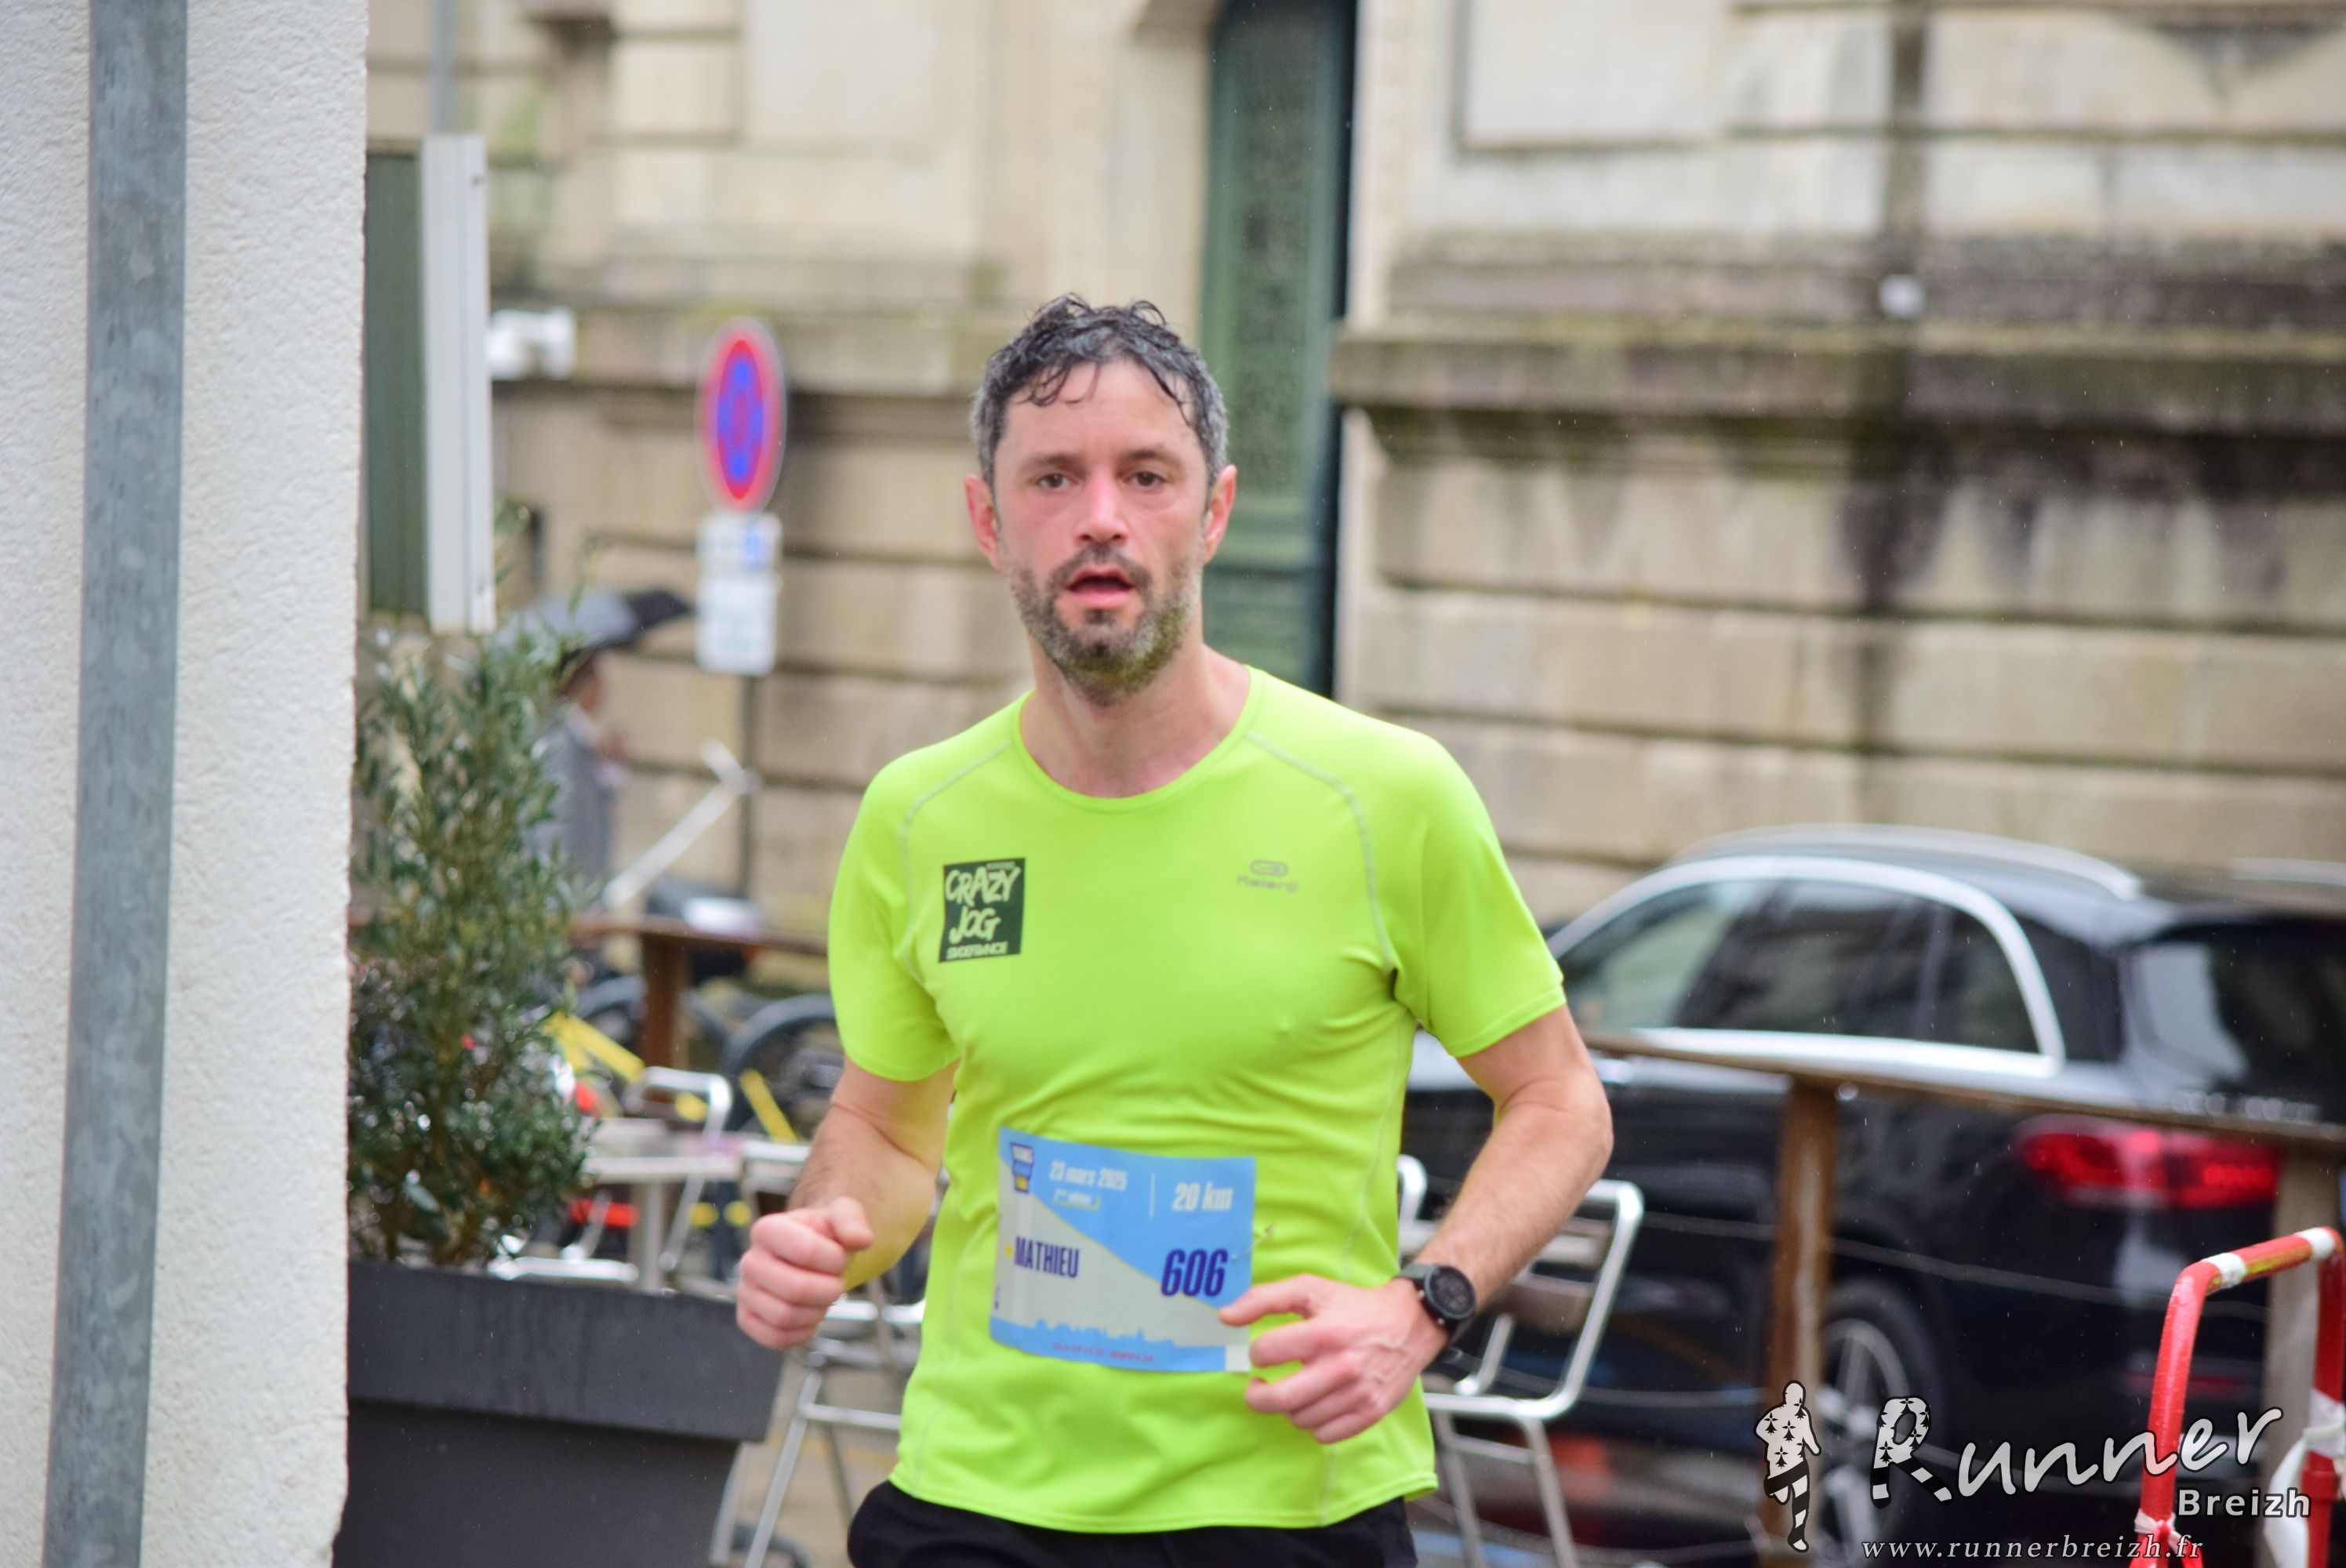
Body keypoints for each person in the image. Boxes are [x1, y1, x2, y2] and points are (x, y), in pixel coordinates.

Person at [734, 296, 1613, 1567]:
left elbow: (1561, 1101)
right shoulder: (917, 817)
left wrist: (1425, 1304)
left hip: (1280, 1510)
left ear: (1214, 511)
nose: (1102, 516)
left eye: (1147, 476)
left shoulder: (1386, 798)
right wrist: (819, 1233)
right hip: (978, 1498)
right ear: (988, 520)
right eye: (1053, 478)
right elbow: (884, 1128)